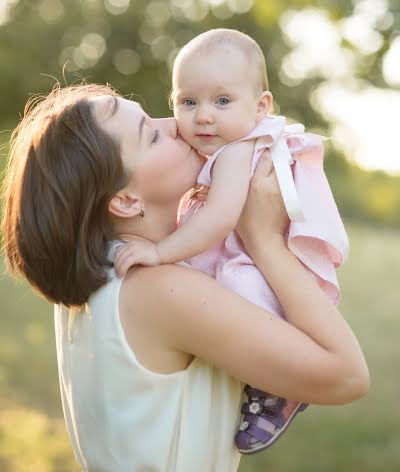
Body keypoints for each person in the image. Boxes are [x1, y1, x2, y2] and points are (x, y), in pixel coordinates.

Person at [2, 83, 369, 472]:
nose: (177, 124)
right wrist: (265, 241)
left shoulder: (107, 274)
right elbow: (346, 375)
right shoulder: (158, 288)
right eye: (152, 134)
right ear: (126, 200)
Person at [115, 29, 349, 453]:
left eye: (222, 101)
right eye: (188, 102)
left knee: (235, 289)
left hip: (257, 266)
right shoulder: (229, 145)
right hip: (248, 256)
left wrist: (160, 251)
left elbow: (221, 218)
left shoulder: (240, 151)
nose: (203, 116)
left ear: (261, 107)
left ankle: (279, 388)